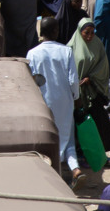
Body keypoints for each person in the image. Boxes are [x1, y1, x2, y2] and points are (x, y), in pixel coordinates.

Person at [25, 17, 81, 176]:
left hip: (43, 103)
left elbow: (31, 81)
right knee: (67, 138)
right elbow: (73, 81)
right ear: (56, 31)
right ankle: (75, 169)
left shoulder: (32, 53)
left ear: (41, 33)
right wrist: (76, 98)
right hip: (64, 102)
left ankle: (50, 171)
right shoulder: (66, 51)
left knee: (46, 137)